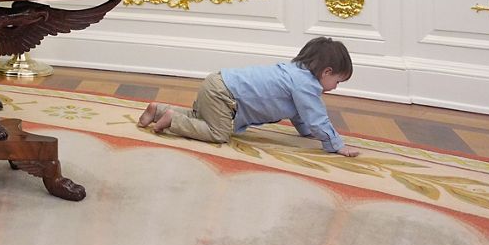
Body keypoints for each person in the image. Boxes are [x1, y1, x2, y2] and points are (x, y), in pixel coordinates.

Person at [138, 37, 360, 157]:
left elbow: (301, 115)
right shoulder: (307, 85)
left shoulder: (294, 74)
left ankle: (158, 111)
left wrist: (306, 132)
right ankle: (173, 120)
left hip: (217, 83)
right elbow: (317, 118)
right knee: (218, 133)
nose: (335, 87)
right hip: (225, 94)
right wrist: (335, 145)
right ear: (326, 72)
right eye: (338, 81)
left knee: (201, 119)